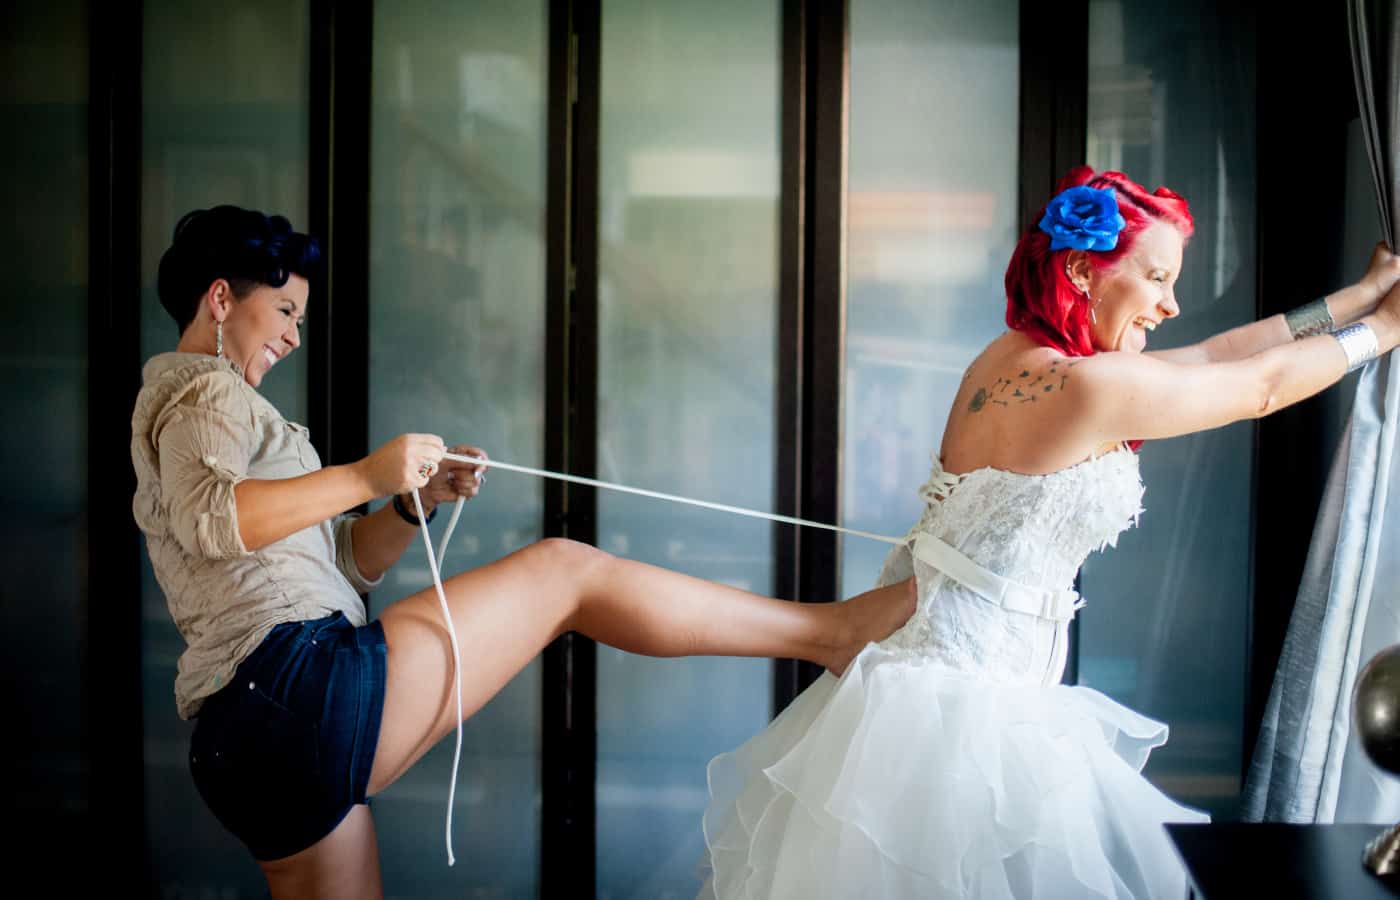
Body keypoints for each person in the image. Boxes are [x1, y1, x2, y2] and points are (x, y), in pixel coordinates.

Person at [130, 205, 917, 900]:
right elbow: (216, 519)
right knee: (565, 571)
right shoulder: (203, 390)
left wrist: (412, 502)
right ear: (222, 298)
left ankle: (834, 634)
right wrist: (366, 471)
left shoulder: (216, 405)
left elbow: (344, 566)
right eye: (285, 311)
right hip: (288, 688)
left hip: (250, 735)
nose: (296, 335)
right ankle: (831, 634)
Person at [698, 166, 1400, 899]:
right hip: (963, 721)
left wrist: (1355, 299)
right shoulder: (1087, 388)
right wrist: (1382, 331)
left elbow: (1210, 357)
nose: (1171, 304)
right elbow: (1257, 387)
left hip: (943, 694)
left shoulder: (1010, 359)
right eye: (1157, 278)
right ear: (1079, 269)